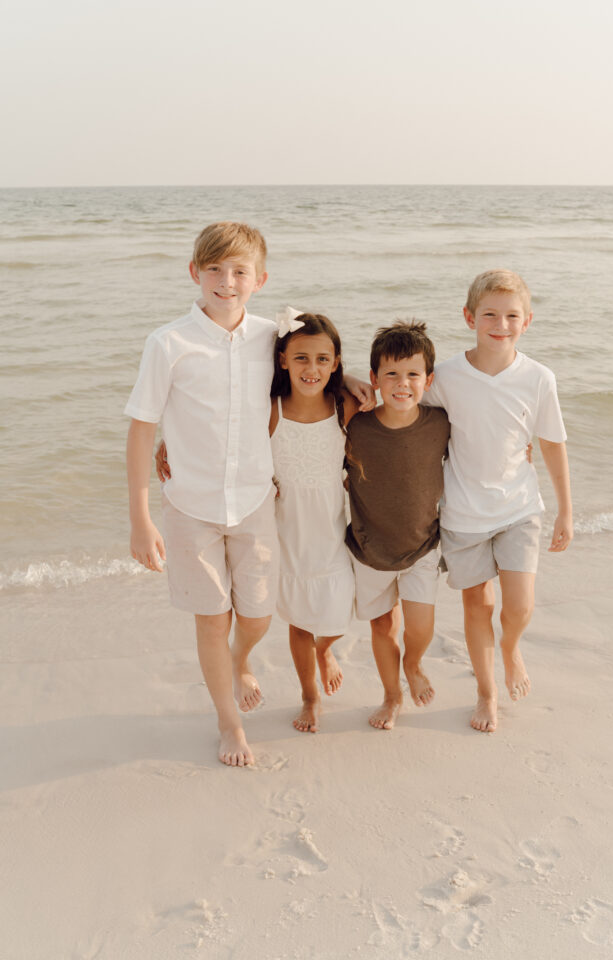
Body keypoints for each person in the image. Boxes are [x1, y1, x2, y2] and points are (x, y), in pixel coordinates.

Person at [126, 222, 278, 768]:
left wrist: (353, 380)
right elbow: (142, 428)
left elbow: (317, 370)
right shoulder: (168, 343)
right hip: (190, 505)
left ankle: (241, 659)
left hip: (256, 499)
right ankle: (228, 723)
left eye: (240, 271)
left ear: (259, 279)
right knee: (211, 616)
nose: (227, 280)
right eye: (215, 269)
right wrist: (141, 519)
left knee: (258, 614)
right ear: (195, 273)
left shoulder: (272, 337)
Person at [424, 269, 572, 733]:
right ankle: (486, 694)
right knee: (477, 607)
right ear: (469, 316)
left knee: (519, 607)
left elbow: (551, 443)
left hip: (519, 508)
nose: (500, 324)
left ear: (526, 321)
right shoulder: (445, 375)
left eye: (511, 316)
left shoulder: (538, 378)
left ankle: (510, 647)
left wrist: (566, 508)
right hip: (463, 513)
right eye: (489, 314)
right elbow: (401, 402)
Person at [345, 321, 450, 730]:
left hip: (423, 545)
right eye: (391, 374)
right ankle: (391, 696)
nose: (402, 384)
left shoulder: (440, 423)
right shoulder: (355, 426)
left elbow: (483, 442)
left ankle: (414, 663)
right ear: (374, 379)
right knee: (383, 626)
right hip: (370, 548)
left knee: (420, 624)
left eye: (412, 374)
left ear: (429, 379)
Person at [269, 309, 358, 733]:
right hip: (288, 530)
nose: (312, 368)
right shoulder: (270, 409)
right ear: (283, 359)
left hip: (333, 528)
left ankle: (328, 650)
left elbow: (405, 401)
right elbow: (220, 429)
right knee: (300, 619)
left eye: (323, 359)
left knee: (338, 610)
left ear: (337, 363)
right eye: (302, 358)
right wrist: (170, 441)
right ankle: (309, 697)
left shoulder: (347, 404)